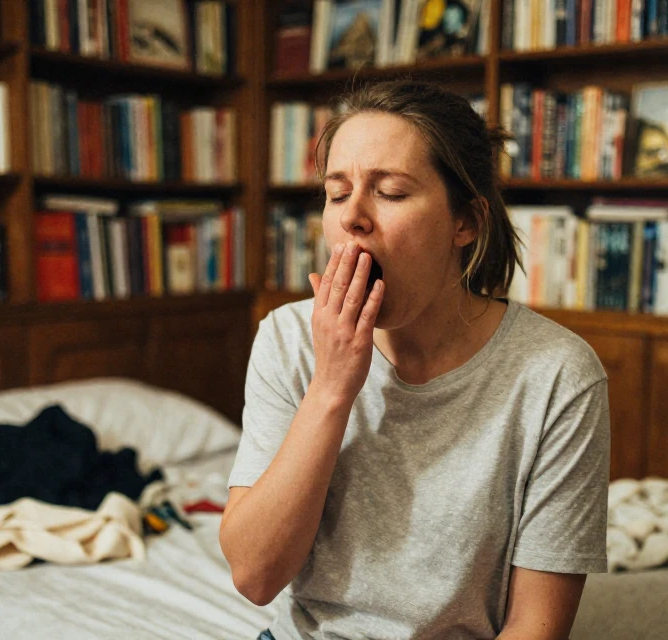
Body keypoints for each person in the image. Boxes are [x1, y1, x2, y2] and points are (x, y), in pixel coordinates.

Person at [221, 79, 610, 640]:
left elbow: (536, 627)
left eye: (391, 192)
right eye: (336, 193)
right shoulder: (287, 338)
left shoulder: (557, 375)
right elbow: (255, 576)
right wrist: (332, 388)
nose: (353, 217)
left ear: (466, 222)